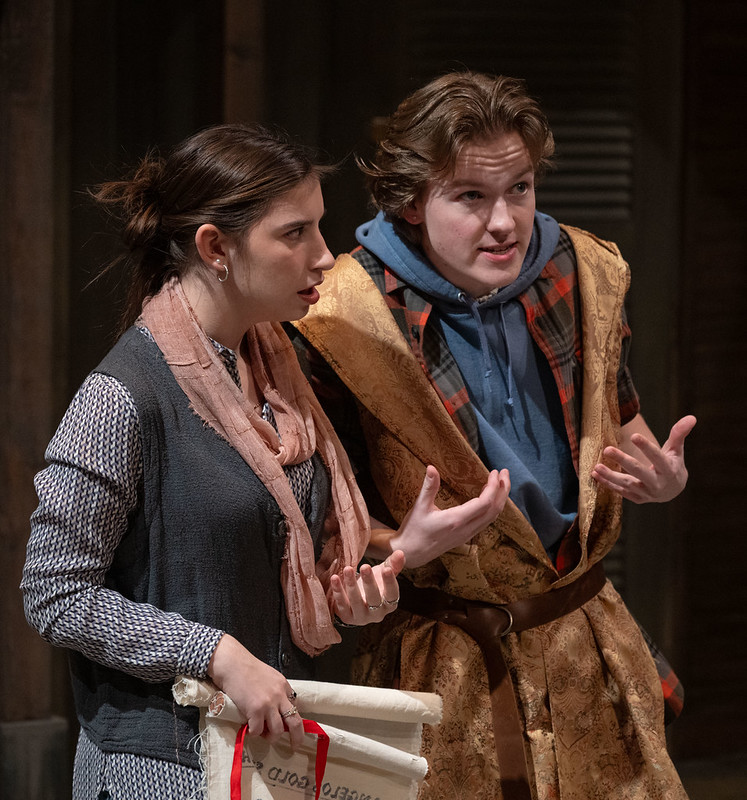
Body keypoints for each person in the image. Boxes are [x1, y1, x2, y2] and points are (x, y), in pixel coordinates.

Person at [20, 122, 510, 799]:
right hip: (161, 769)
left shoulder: (278, 378)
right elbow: (54, 593)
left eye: (318, 227)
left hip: (264, 761)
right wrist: (214, 654)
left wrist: (385, 559)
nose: (324, 256)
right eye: (294, 233)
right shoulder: (121, 397)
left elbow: (277, 556)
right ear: (215, 248)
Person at [289, 73, 696, 799]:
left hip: (581, 635)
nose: (504, 221)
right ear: (411, 201)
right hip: (443, 657)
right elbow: (319, 523)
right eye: (471, 197)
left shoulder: (578, 270)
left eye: (520, 188)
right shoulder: (341, 316)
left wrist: (660, 478)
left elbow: (621, 420)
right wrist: (395, 544)